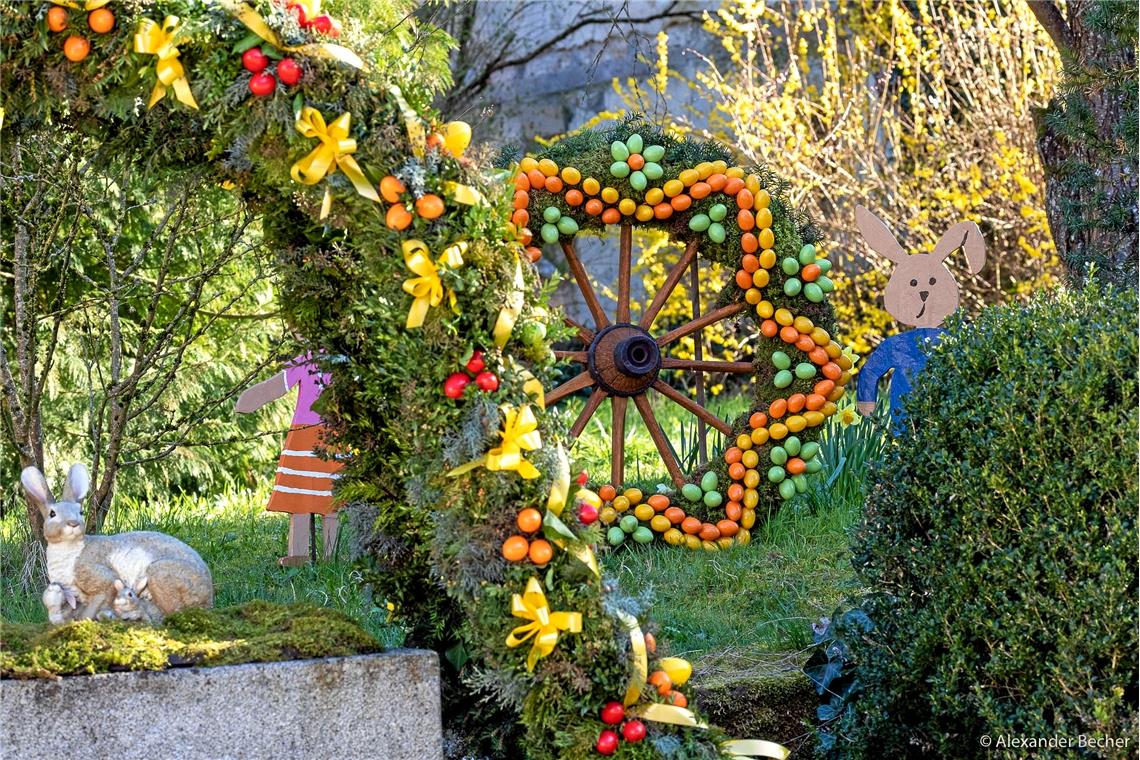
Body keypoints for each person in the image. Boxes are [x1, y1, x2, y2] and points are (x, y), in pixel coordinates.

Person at [236, 354, 343, 566]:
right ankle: (299, 554)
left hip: (332, 433)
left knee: (332, 496)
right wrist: (249, 401)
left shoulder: (343, 359)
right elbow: (277, 385)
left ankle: (332, 554)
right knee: (301, 496)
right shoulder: (306, 360)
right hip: (306, 435)